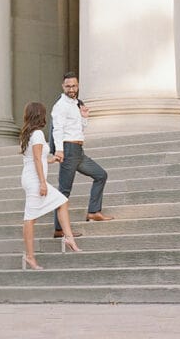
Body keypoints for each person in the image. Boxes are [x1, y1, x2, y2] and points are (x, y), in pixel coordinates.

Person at [51, 71, 115, 238]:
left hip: (79, 151)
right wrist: (59, 150)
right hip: (68, 150)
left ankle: (93, 212)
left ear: (78, 86)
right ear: (63, 87)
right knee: (64, 190)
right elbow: (57, 129)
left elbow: (78, 129)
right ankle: (59, 229)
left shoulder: (77, 103)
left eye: (74, 86)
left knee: (101, 175)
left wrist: (84, 117)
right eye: (68, 86)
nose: (71, 89)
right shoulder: (60, 106)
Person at [20, 101, 81, 270]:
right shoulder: (38, 134)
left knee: (62, 201)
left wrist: (51, 160)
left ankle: (68, 238)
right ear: (40, 115)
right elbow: (37, 159)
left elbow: (35, 158)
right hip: (34, 180)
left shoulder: (28, 134)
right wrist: (42, 183)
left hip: (30, 177)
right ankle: (30, 257)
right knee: (30, 219)